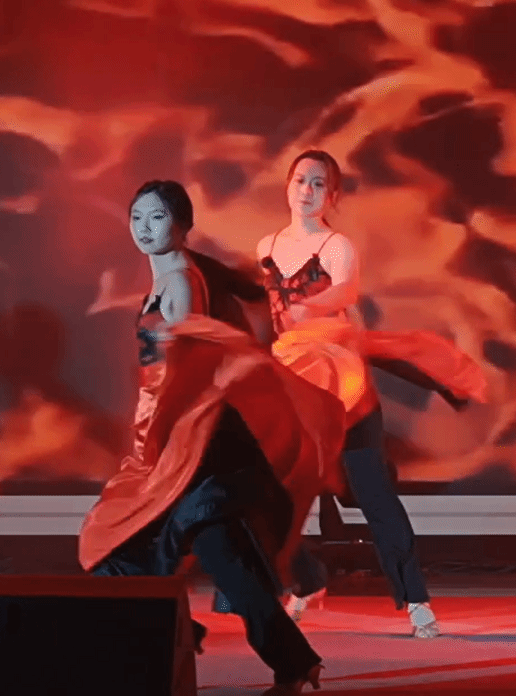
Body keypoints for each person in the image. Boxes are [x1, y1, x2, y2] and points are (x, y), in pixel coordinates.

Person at [78, 180, 335, 695]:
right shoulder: (178, 276)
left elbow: (180, 369)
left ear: (182, 225)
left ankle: (189, 634)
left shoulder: (179, 282)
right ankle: (287, 660)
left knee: (111, 543)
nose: (144, 228)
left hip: (200, 445)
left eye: (156, 218)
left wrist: (157, 441)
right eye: (136, 218)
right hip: (192, 441)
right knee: (223, 559)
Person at [257, 150, 487, 638]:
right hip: (293, 382)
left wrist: (311, 307)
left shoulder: (336, 246)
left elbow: (345, 292)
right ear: (287, 185)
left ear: (332, 196)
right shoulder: (268, 245)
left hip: (342, 385)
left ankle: (416, 599)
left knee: (374, 495)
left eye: (318, 184)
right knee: (265, 490)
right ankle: (307, 579)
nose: (306, 191)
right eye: (300, 180)